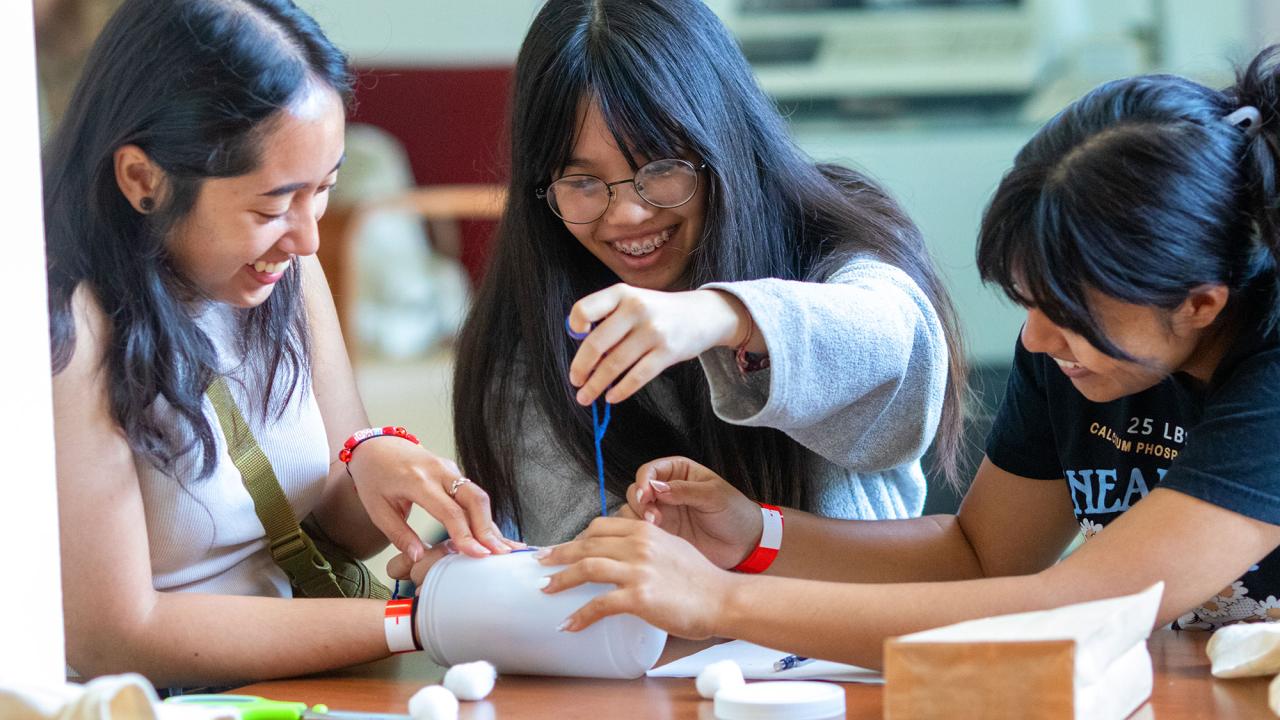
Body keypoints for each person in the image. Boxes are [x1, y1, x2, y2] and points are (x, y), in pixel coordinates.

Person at [534, 47, 1280, 668]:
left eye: (1070, 316)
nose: (1036, 341)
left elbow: (1085, 608)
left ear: (1201, 304)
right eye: (1029, 302)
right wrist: (754, 535)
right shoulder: (1069, 355)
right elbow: (982, 553)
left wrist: (719, 599)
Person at [45, 0, 515, 687]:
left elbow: (341, 527)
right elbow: (114, 636)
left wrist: (377, 462)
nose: (307, 239)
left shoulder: (288, 263)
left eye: (323, 190)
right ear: (143, 179)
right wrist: (419, 620)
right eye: (271, 206)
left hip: (322, 674)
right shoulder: (69, 322)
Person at [449, 0, 968, 546]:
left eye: (662, 167)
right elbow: (568, 569)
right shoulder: (527, 335)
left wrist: (724, 316)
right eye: (581, 182)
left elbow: (901, 347)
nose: (627, 213)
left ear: (723, 142)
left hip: (847, 623)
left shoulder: (829, 231)